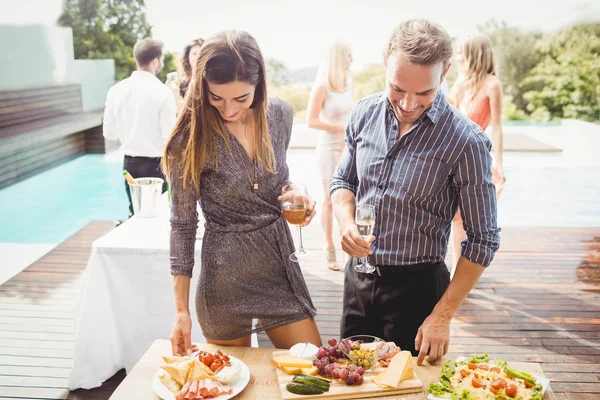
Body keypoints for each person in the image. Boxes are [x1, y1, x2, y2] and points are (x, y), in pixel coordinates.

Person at [330, 19, 500, 365]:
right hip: (358, 283)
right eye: (397, 88)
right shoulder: (363, 112)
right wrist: (346, 222)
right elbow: (343, 182)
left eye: (424, 93)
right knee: (351, 384)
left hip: (418, 292)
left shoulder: (465, 142)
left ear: (445, 72)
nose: (408, 104)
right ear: (385, 64)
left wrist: (443, 315)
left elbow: (484, 239)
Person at [163, 30, 322, 354]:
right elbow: (182, 225)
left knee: (312, 369)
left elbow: (280, 178)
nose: (228, 110)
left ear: (259, 85)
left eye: (241, 98)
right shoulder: (189, 138)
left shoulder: (279, 114)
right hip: (223, 278)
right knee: (234, 382)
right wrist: (181, 312)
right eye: (216, 97)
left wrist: (295, 193)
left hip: (277, 266)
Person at [448, 33, 506, 274]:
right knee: (454, 217)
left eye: (462, 51)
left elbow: (498, 126)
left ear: (475, 53)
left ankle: (463, 273)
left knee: (471, 220)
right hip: (452, 156)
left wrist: (499, 164)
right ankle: (455, 269)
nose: (459, 56)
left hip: (475, 158)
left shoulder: (492, 84)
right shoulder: (460, 82)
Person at [103, 38, 176, 216]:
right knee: (159, 216)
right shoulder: (163, 92)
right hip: (157, 166)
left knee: (135, 214)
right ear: (155, 61)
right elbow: (170, 137)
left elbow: (109, 133)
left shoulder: (116, 90)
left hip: (129, 165)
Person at [306, 39, 354, 271]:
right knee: (328, 200)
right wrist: (341, 128)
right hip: (328, 149)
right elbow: (311, 121)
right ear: (338, 58)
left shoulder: (349, 83)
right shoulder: (322, 86)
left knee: (348, 198)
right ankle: (329, 246)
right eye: (348, 55)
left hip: (348, 148)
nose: (351, 60)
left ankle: (349, 245)